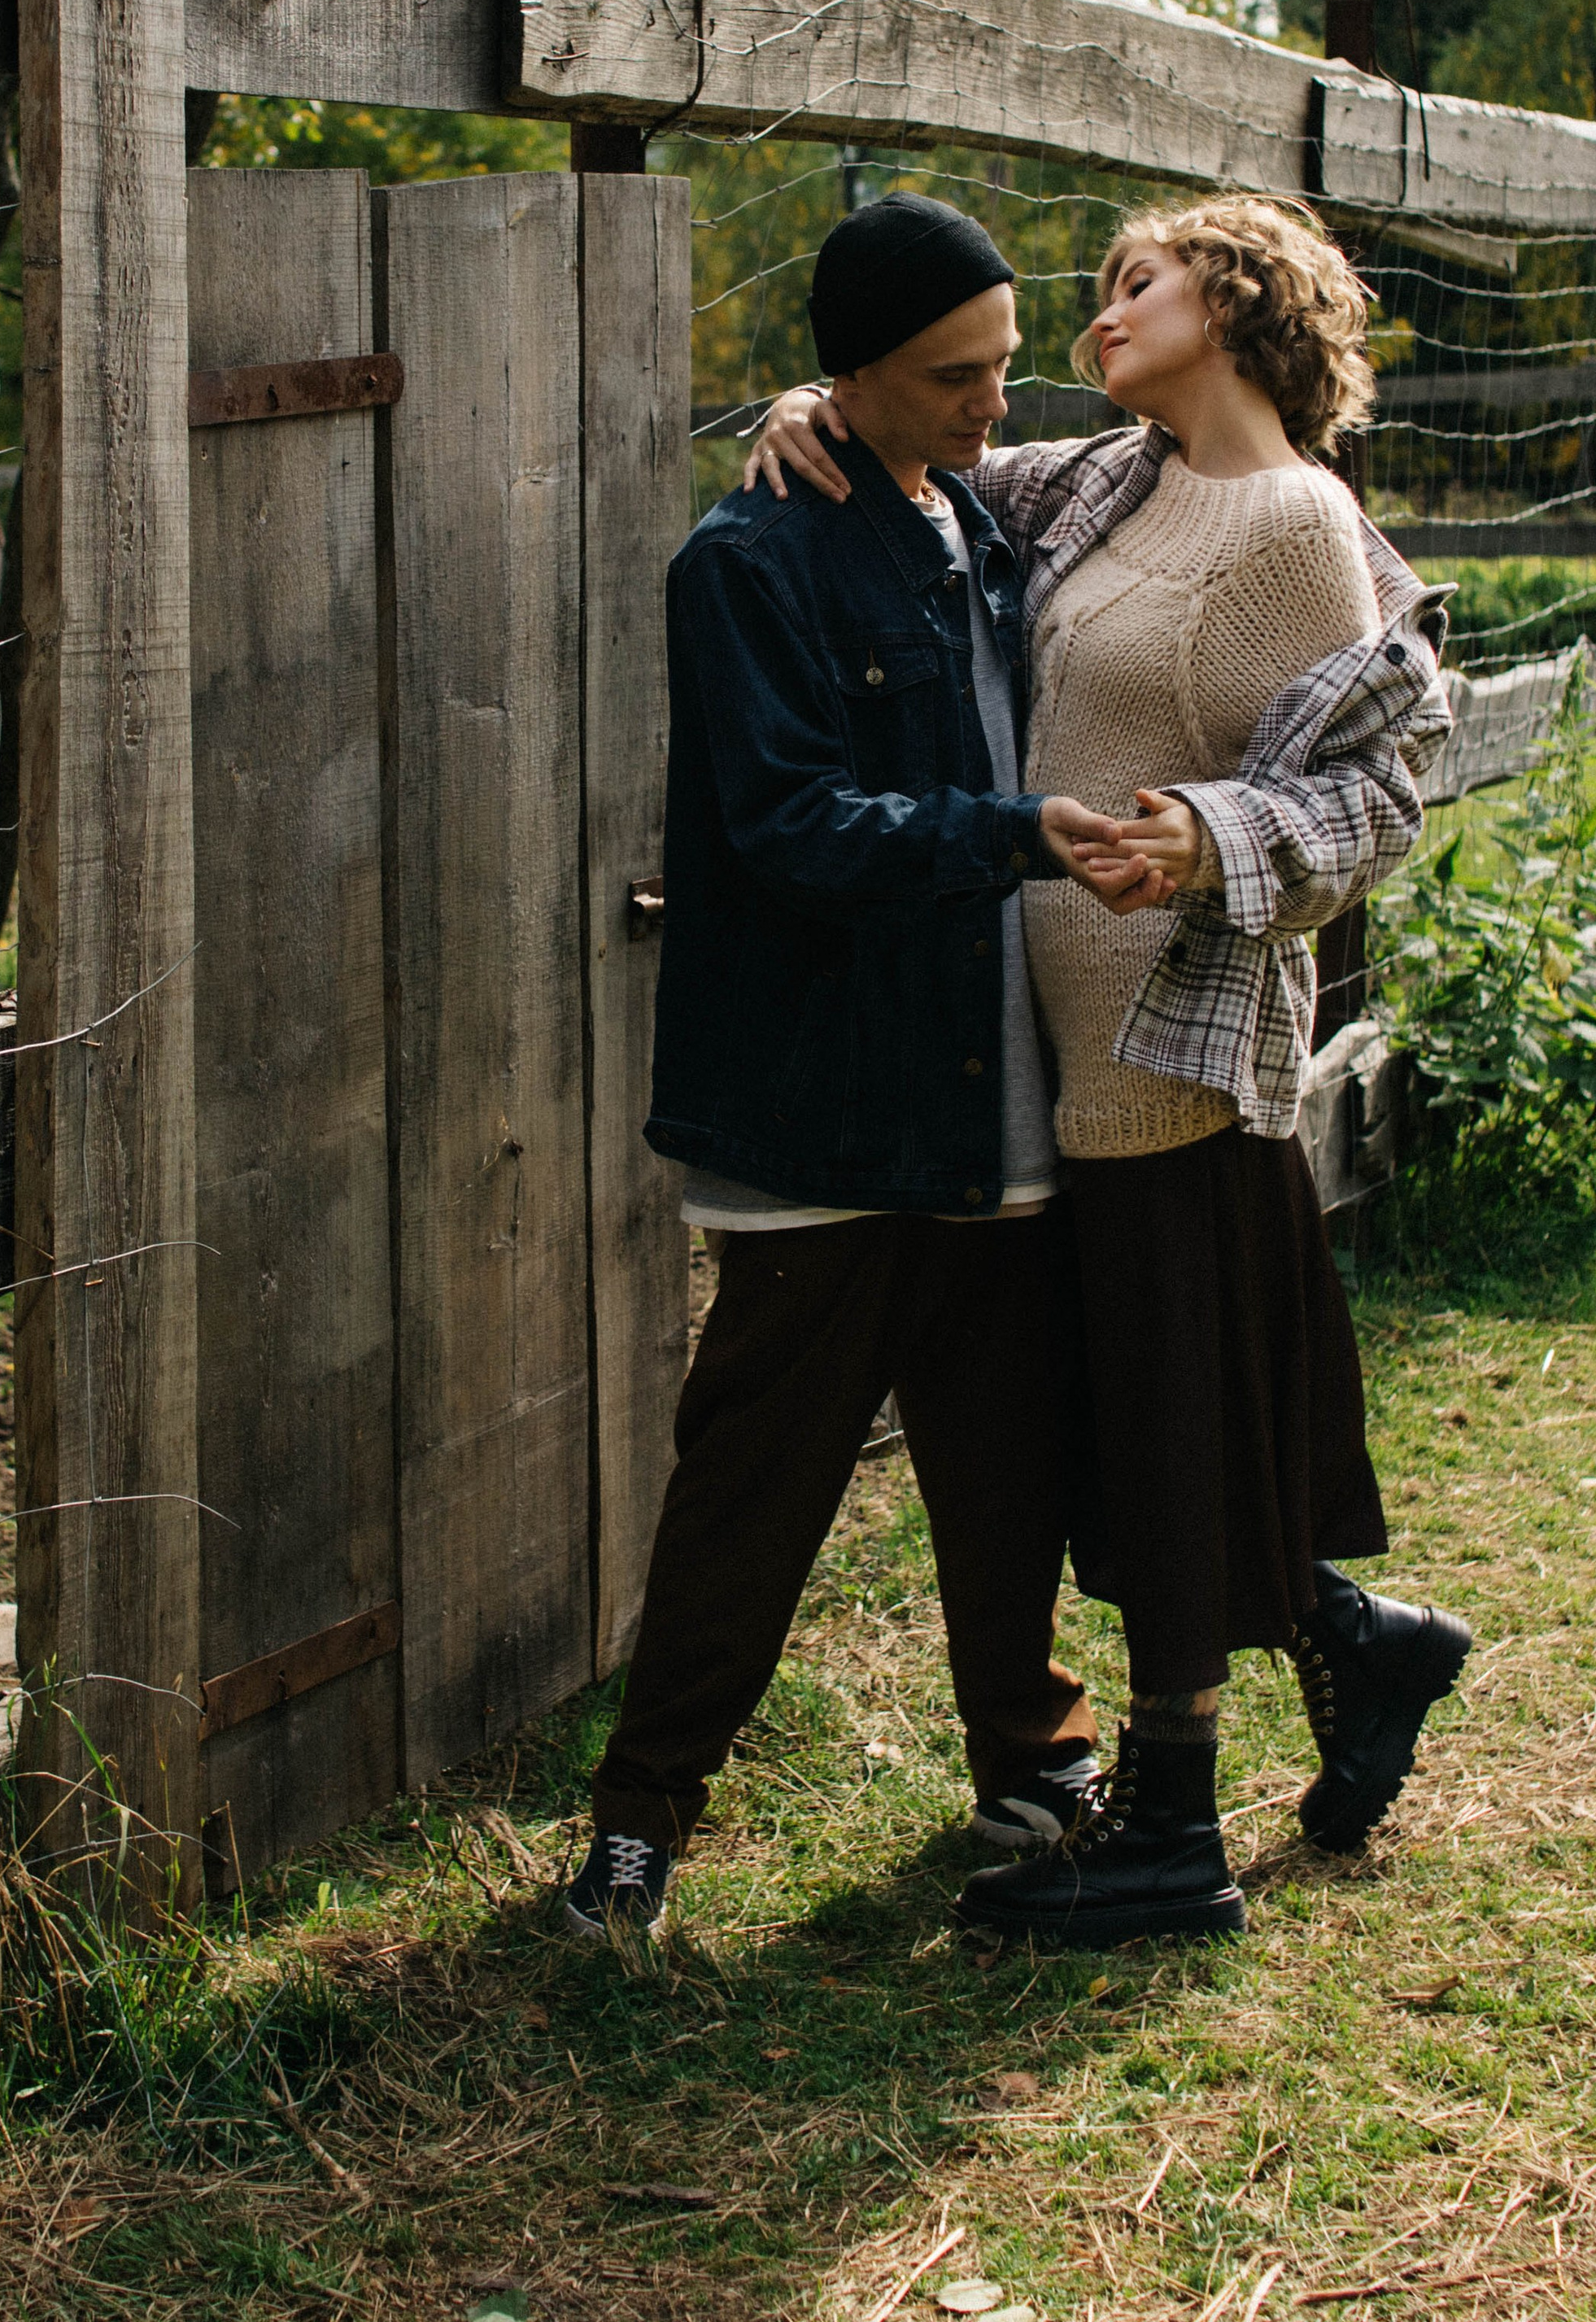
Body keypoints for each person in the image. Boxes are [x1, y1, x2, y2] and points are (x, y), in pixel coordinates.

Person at [746, 192, 1471, 1947]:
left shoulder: (1292, 523)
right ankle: (1352, 1648)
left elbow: (1368, 797)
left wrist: (1206, 838)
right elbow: (923, 472)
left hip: (1175, 1046)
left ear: (1231, 297)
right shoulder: (1101, 483)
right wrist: (813, 410)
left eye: (1130, 283)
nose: (1092, 323)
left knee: (1159, 1429)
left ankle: (1169, 1828)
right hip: (1048, 1043)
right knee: (1142, 1417)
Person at [561, 193, 1164, 1944]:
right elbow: (789, 825)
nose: (994, 402)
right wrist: (1020, 835)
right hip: (826, 1115)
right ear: (846, 377)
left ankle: (1030, 1766)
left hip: (988, 1103)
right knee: (751, 1492)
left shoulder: (983, 524)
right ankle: (634, 1826)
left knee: (1004, 1472)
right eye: (948, 375)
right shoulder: (746, 562)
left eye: (998, 366)